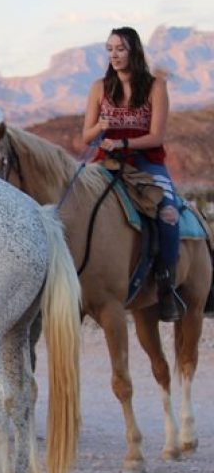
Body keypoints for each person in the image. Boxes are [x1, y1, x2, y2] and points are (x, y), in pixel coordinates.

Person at [82, 26, 182, 321]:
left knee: (168, 212)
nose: (114, 55)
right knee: (76, 202)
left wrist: (124, 141)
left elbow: (157, 137)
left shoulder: (154, 86)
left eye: (120, 49)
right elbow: (86, 137)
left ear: (134, 51)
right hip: (107, 161)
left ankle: (166, 282)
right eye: (109, 49)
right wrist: (99, 129)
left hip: (145, 161)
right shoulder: (99, 87)